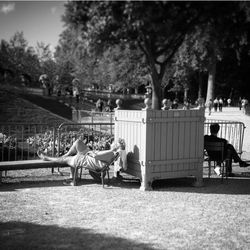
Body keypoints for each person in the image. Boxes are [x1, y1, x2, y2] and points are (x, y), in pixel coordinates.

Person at [37, 139, 125, 185]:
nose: (111, 143)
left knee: (65, 159)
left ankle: (47, 158)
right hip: (89, 155)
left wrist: (93, 153)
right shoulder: (112, 153)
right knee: (78, 142)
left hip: (87, 158)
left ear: (115, 146)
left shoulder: (110, 152)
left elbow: (96, 156)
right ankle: (66, 155)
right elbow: (98, 157)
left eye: (113, 143)